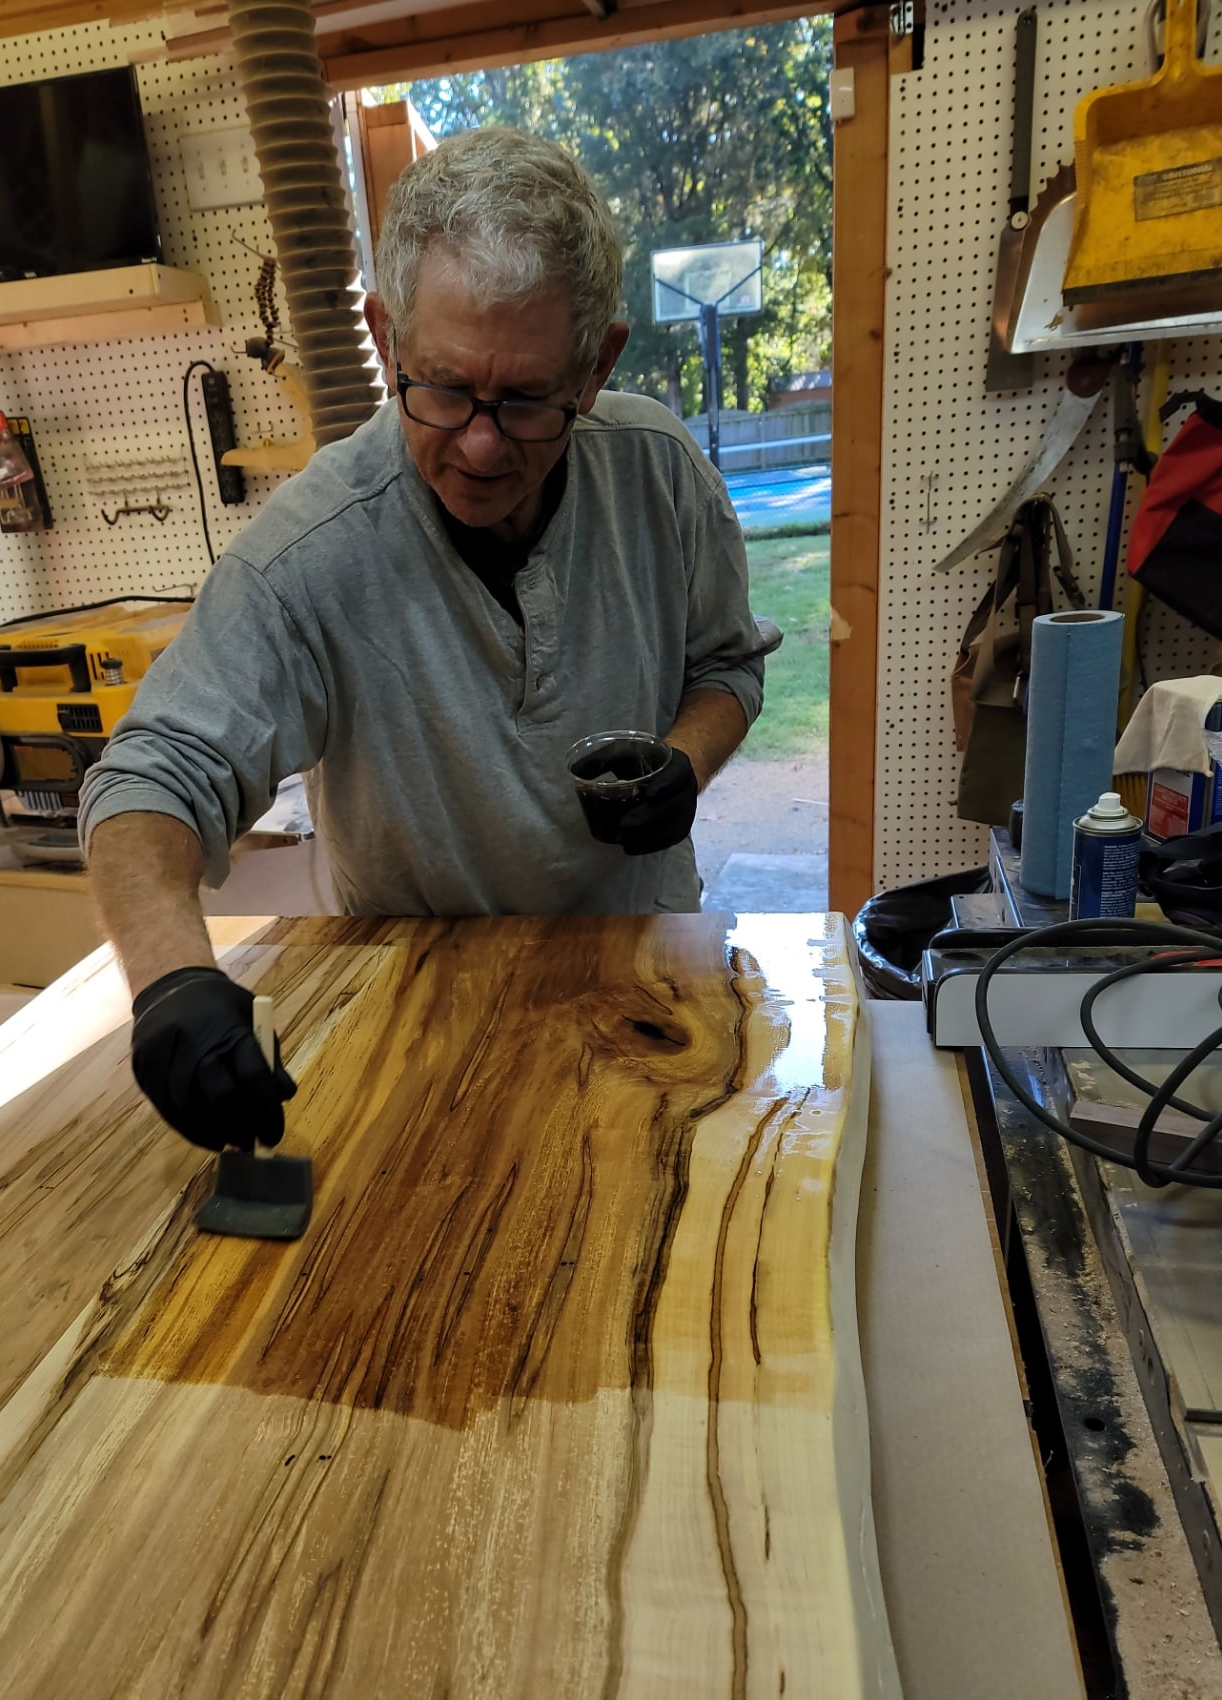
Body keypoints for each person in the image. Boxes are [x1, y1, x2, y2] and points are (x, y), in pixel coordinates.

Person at [80, 126, 779, 1153]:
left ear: (596, 365)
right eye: (442, 388)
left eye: (528, 398)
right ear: (383, 335)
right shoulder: (308, 555)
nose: (481, 443)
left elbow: (723, 668)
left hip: (646, 974)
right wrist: (173, 979)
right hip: (414, 997)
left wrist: (686, 759)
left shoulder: (658, 470)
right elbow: (150, 777)